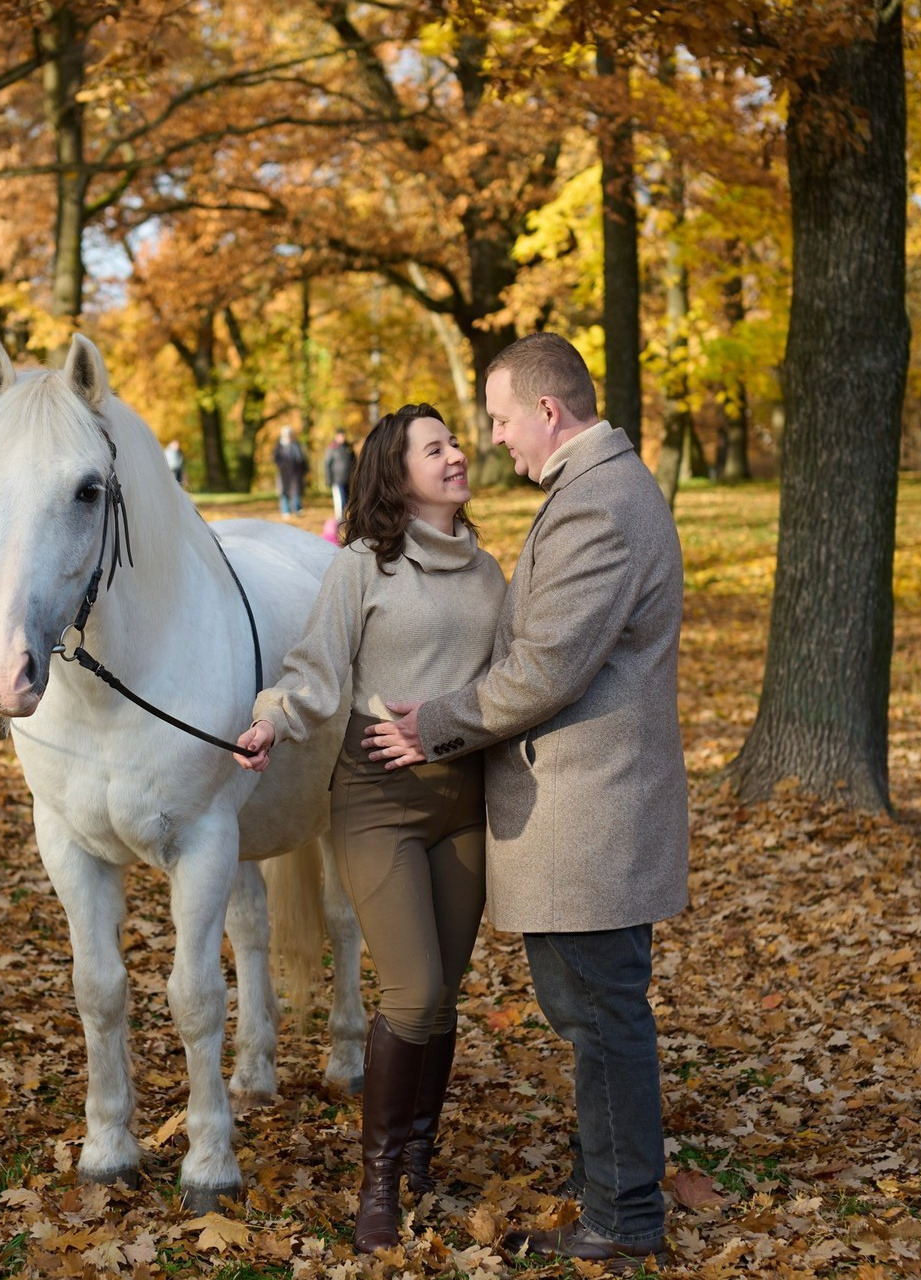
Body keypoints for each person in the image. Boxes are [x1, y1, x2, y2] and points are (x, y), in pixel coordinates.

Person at [363, 333, 689, 1270]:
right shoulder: (595, 492)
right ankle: (612, 1184)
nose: (495, 440)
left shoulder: (600, 506)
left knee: (599, 1014)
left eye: (502, 419)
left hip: (590, 807)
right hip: (589, 803)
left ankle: (625, 1217)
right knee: (595, 1010)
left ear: (548, 411)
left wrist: (434, 725)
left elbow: (544, 670)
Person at [234, 405, 506, 1253]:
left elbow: (505, 685)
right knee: (414, 989)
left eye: (456, 443)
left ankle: (420, 1158)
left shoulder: (490, 572)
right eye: (437, 448)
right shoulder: (361, 568)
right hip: (378, 797)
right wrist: (272, 720)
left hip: (464, 799)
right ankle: (378, 1187)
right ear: (398, 471)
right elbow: (314, 671)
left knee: (445, 990)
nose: (458, 455)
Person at [273, 426, 309, 518]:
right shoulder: (279, 446)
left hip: (295, 473)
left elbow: (301, 458)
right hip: (283, 474)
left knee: (296, 491)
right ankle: (285, 510)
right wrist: (283, 465)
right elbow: (276, 459)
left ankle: (297, 509)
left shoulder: (296, 445)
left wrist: (304, 469)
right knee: (284, 492)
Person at [324, 429, 356, 520]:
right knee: (340, 500)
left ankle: (347, 517)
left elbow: (354, 462)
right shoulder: (332, 448)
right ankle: (340, 518)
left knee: (348, 500)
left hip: (349, 479)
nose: (342, 437)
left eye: (343, 435)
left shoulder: (348, 447)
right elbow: (327, 464)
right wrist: (328, 479)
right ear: (336, 436)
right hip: (337, 479)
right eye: (340, 435)